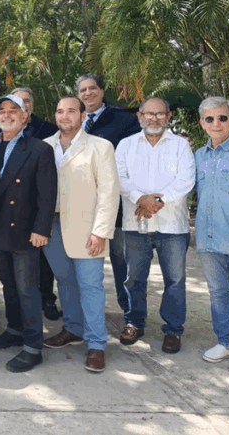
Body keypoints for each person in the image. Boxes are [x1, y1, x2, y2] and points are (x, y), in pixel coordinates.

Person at [42, 96, 120, 373]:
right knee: (65, 281)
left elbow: (109, 192)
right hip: (51, 227)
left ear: (83, 115)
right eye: (60, 111)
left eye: (71, 111)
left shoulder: (100, 147)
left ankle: (97, 344)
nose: (65, 115)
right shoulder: (45, 146)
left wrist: (101, 232)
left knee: (90, 286)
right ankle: (73, 329)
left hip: (87, 228)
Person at [0, 94, 57, 373]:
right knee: (9, 285)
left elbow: (48, 194)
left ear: (25, 116)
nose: (6, 114)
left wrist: (41, 228)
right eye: (2, 110)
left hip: (26, 229)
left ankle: (33, 346)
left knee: (28, 289)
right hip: (0, 227)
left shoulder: (39, 149)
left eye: (13, 110)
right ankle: (14, 330)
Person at [116, 97, 195, 354]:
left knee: (175, 280)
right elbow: (119, 178)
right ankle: (134, 323)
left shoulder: (180, 146)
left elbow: (186, 181)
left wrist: (156, 202)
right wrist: (141, 199)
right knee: (134, 278)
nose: (154, 118)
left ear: (168, 116)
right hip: (135, 223)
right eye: (149, 114)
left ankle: (173, 330)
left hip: (172, 226)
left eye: (160, 114)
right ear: (139, 116)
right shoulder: (126, 145)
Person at [78, 73, 141, 313]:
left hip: (116, 207)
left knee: (121, 261)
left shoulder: (123, 120)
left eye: (92, 88)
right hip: (82, 205)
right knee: (83, 261)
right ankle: (83, 311)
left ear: (102, 91)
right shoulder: (74, 120)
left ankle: (130, 313)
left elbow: (134, 161)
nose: (88, 93)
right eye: (83, 90)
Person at [194, 97, 229, 363]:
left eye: (222, 118)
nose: (216, 123)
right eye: (210, 119)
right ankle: (226, 342)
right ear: (202, 123)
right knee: (218, 293)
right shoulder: (198, 156)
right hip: (208, 239)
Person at [5, 87, 62, 321]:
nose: (22, 105)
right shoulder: (2, 133)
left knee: (44, 260)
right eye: (16, 102)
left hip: (39, 207)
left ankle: (47, 299)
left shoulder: (48, 130)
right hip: (13, 212)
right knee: (17, 267)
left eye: (26, 101)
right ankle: (19, 312)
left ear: (32, 105)